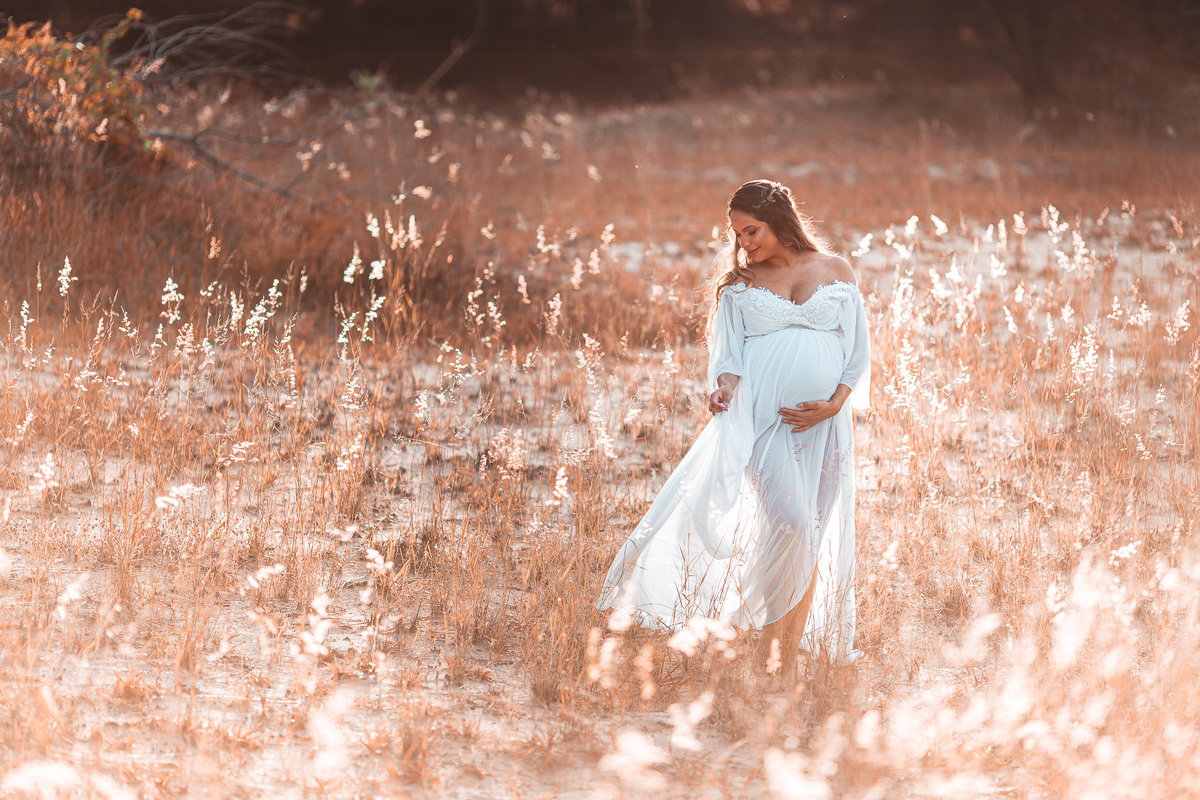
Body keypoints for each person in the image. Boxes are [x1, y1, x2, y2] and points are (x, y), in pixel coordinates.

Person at [597, 179, 871, 675]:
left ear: (781, 221)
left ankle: (785, 659)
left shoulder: (836, 271)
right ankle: (770, 649)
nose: (744, 244)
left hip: (827, 428)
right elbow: (728, 358)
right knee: (787, 524)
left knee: (809, 531)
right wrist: (723, 388)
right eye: (738, 235)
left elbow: (857, 355)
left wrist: (833, 406)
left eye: (752, 231)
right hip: (762, 425)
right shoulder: (739, 286)